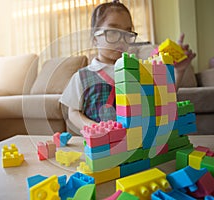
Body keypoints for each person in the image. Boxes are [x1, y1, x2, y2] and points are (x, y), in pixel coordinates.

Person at [59, 0, 196, 131]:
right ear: (95, 38)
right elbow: (73, 112)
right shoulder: (82, 77)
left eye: (127, 33)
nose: (121, 40)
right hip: (101, 147)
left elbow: (163, 100)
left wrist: (178, 71)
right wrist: (94, 128)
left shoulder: (139, 71)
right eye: (113, 31)